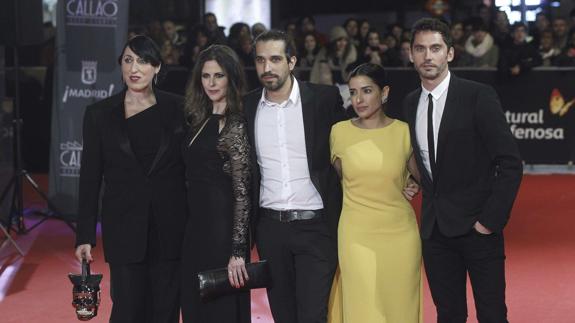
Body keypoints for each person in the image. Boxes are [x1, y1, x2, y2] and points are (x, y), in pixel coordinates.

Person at [404, 18, 523, 323]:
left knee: (493, 315)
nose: (427, 56)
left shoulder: (477, 96)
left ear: (450, 53)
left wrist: (489, 222)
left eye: (435, 48)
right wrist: (412, 180)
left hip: (478, 229)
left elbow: (509, 162)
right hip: (434, 233)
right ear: (411, 55)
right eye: (420, 49)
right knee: (449, 315)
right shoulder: (409, 103)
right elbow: (424, 161)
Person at [75, 35, 187, 323]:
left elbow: (191, 170)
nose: (134, 68)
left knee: (165, 309)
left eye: (143, 61)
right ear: (121, 66)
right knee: (127, 309)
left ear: (157, 67)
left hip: (170, 227)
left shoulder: (179, 109)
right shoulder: (99, 115)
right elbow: (89, 177)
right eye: (128, 60)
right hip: (124, 228)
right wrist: (85, 235)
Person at [243, 29, 347, 323]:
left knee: (313, 315)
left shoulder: (324, 100)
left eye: (275, 59)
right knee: (283, 315)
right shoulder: (247, 106)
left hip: (317, 228)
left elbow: (350, 148)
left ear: (291, 61)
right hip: (270, 229)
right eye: (261, 60)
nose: (267, 67)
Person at [329, 63, 422, 322]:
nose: (358, 99)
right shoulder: (339, 133)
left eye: (367, 91)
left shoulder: (403, 131)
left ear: (384, 93)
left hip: (400, 235)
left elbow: (425, 176)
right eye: (354, 92)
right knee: (363, 309)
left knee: (399, 309)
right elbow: (334, 183)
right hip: (355, 234)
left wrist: (414, 182)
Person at [180, 44, 251, 323]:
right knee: (194, 306)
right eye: (206, 76)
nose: (211, 83)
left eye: (218, 76)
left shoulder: (234, 124)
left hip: (221, 235)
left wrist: (237, 252)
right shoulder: (198, 119)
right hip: (194, 231)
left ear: (231, 78)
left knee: (220, 311)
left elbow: (242, 193)